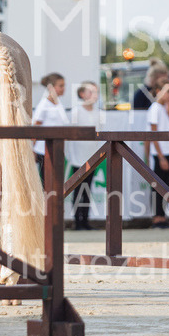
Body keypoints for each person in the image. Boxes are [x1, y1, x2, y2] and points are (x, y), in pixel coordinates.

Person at [145, 79, 169, 228]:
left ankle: (162, 216)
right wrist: (160, 156)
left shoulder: (168, 110)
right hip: (160, 153)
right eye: (168, 91)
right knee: (158, 186)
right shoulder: (155, 108)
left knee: (166, 187)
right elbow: (153, 134)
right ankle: (157, 218)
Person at [69, 80, 102, 230]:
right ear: (82, 94)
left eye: (96, 92)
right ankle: (77, 220)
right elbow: (71, 135)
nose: (94, 95)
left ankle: (85, 219)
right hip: (78, 157)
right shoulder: (76, 112)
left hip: (92, 156)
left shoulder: (98, 113)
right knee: (78, 189)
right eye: (90, 91)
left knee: (88, 189)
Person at [33, 73, 69, 186]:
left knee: (56, 183)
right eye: (60, 85)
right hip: (44, 150)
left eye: (64, 85)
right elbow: (36, 126)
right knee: (46, 183)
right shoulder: (44, 104)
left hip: (57, 148)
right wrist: (32, 149)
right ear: (51, 87)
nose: (63, 89)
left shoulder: (58, 104)